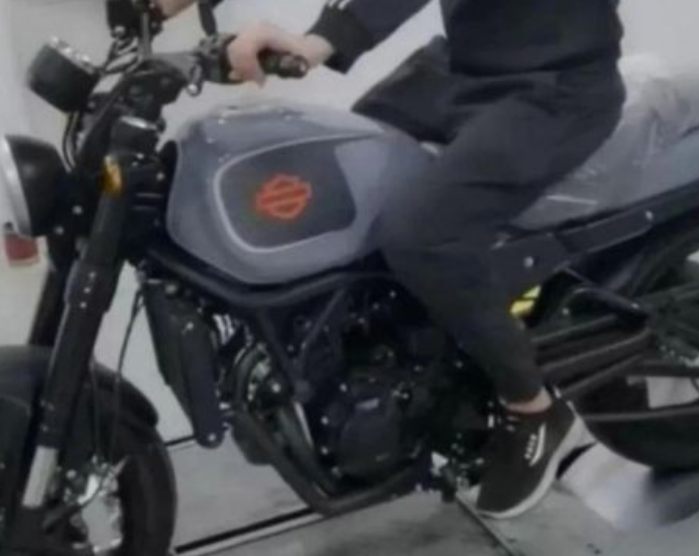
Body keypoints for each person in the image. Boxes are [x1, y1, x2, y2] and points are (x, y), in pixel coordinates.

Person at [157, 0, 626, 518]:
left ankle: (531, 405)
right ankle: (382, 365)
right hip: (459, 71)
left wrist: (316, 43)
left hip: (558, 89)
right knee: (344, 175)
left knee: (420, 237)